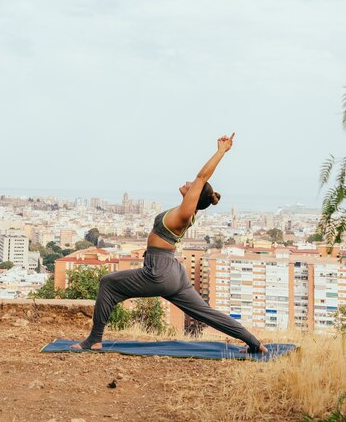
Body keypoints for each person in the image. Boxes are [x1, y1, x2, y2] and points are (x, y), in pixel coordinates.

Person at [71, 134, 268, 354]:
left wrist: (221, 151)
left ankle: (94, 340)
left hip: (159, 272)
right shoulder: (185, 213)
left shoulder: (185, 212)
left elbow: (202, 177)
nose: (188, 183)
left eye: (191, 185)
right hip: (173, 271)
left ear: (195, 195)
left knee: (108, 283)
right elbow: (199, 182)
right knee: (205, 312)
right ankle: (255, 344)